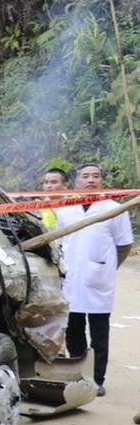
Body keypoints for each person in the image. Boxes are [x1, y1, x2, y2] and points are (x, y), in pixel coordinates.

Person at [55, 162, 134, 397]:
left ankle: (97, 379)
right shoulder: (64, 209)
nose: (91, 180)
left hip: (99, 280)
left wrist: (107, 268)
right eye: (86, 176)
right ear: (77, 182)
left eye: (96, 176)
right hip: (71, 278)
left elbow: (124, 244)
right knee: (73, 330)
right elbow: (59, 244)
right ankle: (79, 377)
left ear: (102, 181)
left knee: (99, 334)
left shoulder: (113, 209)